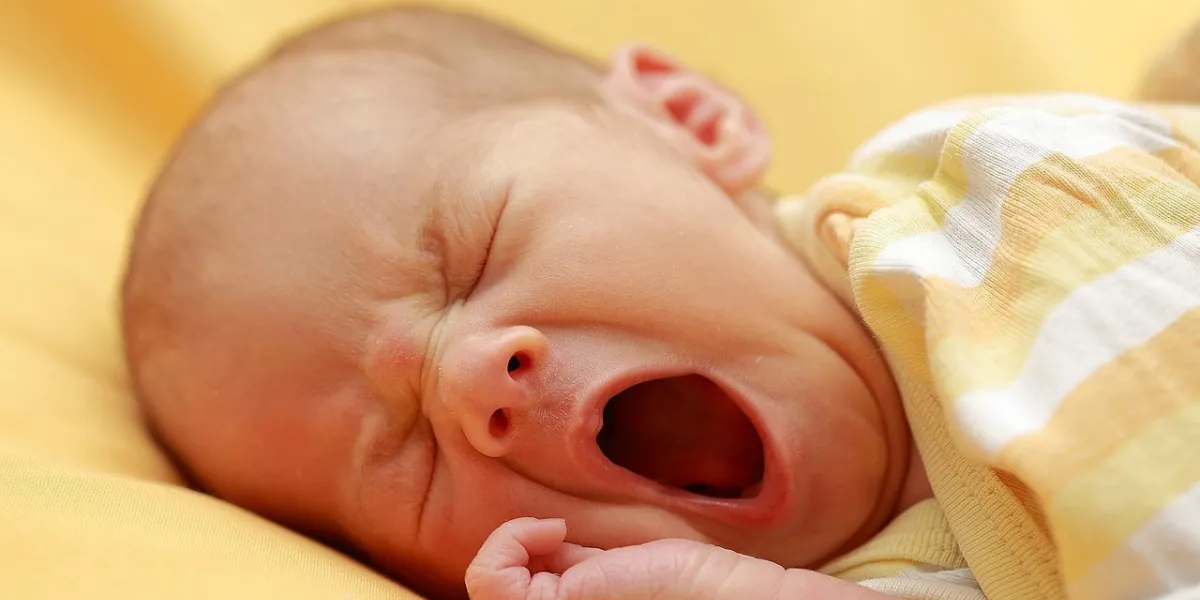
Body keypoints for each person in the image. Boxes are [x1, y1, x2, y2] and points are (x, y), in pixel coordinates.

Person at [120, 6, 1200, 600]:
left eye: (473, 252)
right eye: (401, 458)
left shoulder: (993, 179)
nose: (468, 388)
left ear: (687, 118)